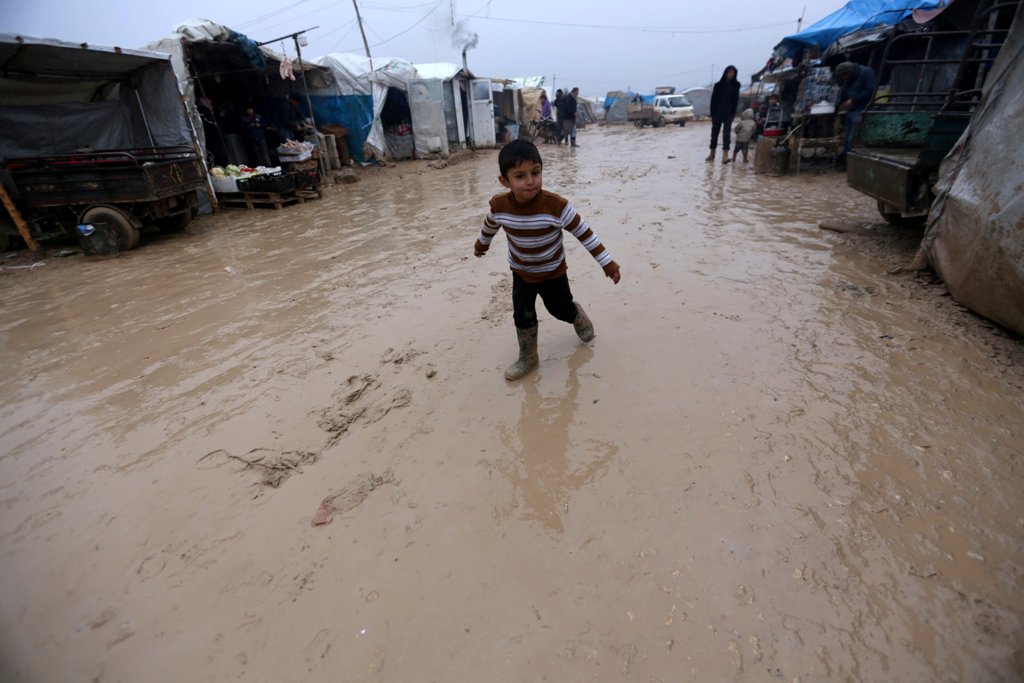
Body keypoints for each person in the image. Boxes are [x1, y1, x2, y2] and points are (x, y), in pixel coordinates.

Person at [473, 140, 621, 381]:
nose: (530, 181)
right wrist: (482, 244)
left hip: (553, 273)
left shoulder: (557, 206)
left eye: (535, 173)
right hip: (521, 272)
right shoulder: (500, 206)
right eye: (520, 176)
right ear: (504, 181)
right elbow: (489, 226)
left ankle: (576, 314)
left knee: (559, 310)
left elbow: (586, 234)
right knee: (522, 315)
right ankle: (528, 358)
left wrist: (608, 263)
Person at [834, 61, 876, 168]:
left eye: (845, 75)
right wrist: (838, 105)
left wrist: (853, 101)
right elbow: (844, 92)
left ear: (849, 72)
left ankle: (853, 163)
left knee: (854, 138)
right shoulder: (848, 79)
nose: (844, 78)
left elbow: (870, 92)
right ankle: (848, 161)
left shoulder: (866, 72)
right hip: (852, 111)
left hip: (863, 109)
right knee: (848, 138)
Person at [707, 65, 740, 164]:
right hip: (717, 113)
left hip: (729, 113)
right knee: (714, 133)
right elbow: (713, 101)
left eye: (733, 72)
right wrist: (712, 114)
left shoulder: (736, 85)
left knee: (726, 134)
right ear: (725, 73)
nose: (731, 74)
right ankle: (712, 153)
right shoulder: (718, 85)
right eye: (729, 72)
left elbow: (736, 100)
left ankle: (725, 155)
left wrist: (733, 113)